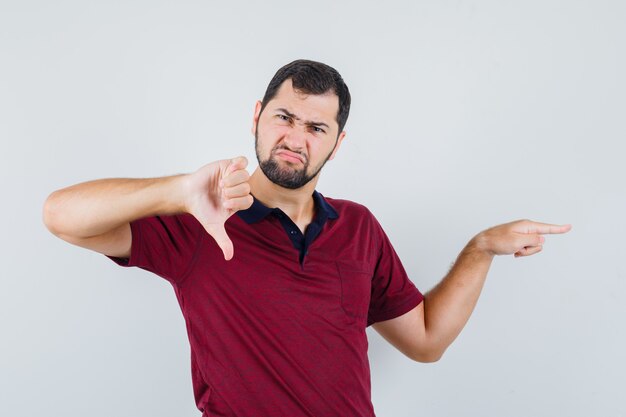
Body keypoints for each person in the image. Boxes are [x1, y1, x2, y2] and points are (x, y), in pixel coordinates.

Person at [43, 59, 571, 417]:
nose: (295, 138)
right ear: (257, 116)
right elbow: (61, 215)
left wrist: (480, 250)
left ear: (336, 143)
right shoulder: (199, 220)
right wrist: (178, 189)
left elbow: (426, 341)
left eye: (316, 128)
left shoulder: (358, 227)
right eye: (284, 117)